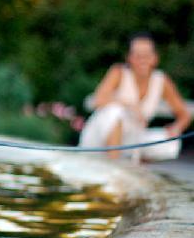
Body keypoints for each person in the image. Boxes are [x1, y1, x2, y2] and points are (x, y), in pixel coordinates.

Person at [79, 33, 192, 161]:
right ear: (129, 58)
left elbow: (184, 114)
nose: (142, 59)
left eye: (147, 55)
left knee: (170, 143)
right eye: (137, 55)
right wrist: (130, 105)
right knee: (114, 112)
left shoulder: (161, 80)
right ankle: (114, 165)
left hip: (131, 139)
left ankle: (135, 167)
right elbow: (98, 100)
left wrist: (176, 127)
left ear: (155, 58)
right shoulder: (118, 72)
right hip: (98, 138)